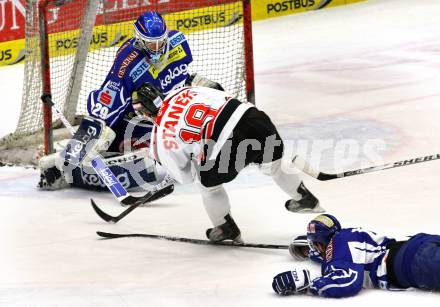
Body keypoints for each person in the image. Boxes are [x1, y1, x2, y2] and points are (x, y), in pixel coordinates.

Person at [38, 11, 222, 191]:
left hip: (169, 117)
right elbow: (107, 101)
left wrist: (202, 87)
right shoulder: (128, 62)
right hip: (133, 123)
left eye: (160, 42)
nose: (157, 49)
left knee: (202, 123)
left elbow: (183, 78)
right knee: (145, 127)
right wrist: (87, 142)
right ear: (140, 41)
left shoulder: (178, 42)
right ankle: (59, 165)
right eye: (151, 44)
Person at [131, 82, 324, 242]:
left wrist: (195, 158)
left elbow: (185, 177)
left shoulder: (160, 134)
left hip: (227, 140)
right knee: (275, 164)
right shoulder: (183, 90)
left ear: (146, 114)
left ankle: (225, 228)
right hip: (253, 117)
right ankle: (305, 199)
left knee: (207, 185)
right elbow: (219, 91)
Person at [272, 214, 440, 298]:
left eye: (314, 246)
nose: (312, 251)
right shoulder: (346, 237)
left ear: (322, 243)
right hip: (419, 245)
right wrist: (309, 250)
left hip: (415, 264)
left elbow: (348, 282)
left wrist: (308, 284)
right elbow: (335, 257)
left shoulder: (337, 246)